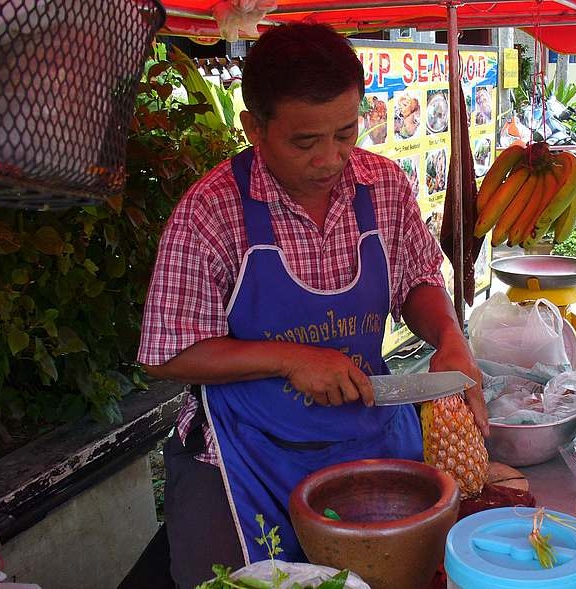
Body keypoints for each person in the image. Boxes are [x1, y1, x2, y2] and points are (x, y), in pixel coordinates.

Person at [137, 22, 488, 589]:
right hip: (245, 453)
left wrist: (451, 340)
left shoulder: (383, 185)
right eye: (305, 141)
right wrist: (288, 358)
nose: (330, 159)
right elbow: (166, 354)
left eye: (345, 134)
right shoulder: (211, 212)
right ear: (254, 127)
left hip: (370, 433)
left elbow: (418, 281)